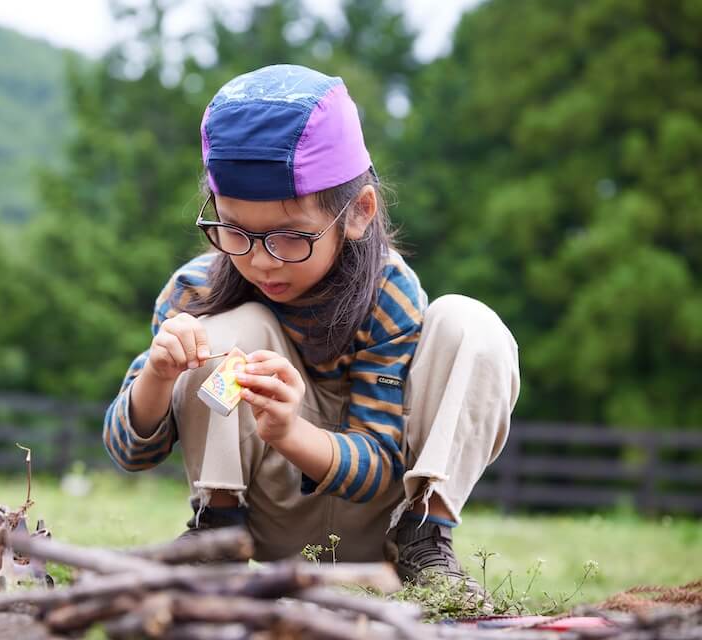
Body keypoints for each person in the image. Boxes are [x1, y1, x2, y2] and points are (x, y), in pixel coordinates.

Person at [102, 64, 519, 609]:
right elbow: (128, 452)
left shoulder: (387, 295)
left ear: (358, 213)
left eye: (290, 236)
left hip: (378, 525)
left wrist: (288, 431)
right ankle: (214, 531)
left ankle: (427, 539)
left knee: (472, 325)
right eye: (235, 230)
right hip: (261, 520)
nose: (258, 260)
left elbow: (379, 467)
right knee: (229, 330)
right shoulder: (197, 291)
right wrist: (158, 376)